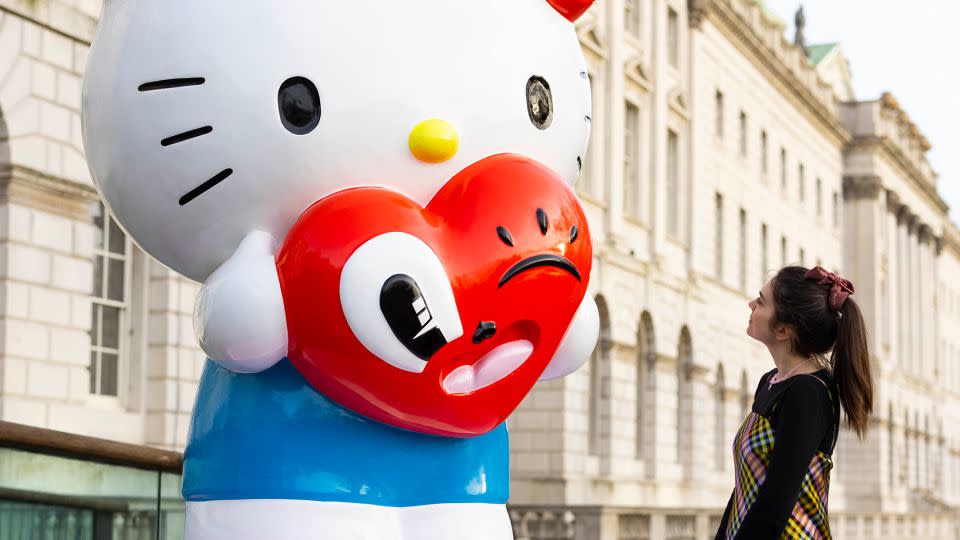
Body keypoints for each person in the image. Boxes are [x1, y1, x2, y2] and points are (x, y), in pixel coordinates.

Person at [716, 266, 874, 539]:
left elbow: (777, 500)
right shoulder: (771, 382)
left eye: (761, 301)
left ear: (783, 330)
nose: (751, 304)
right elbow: (745, 489)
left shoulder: (808, 394)